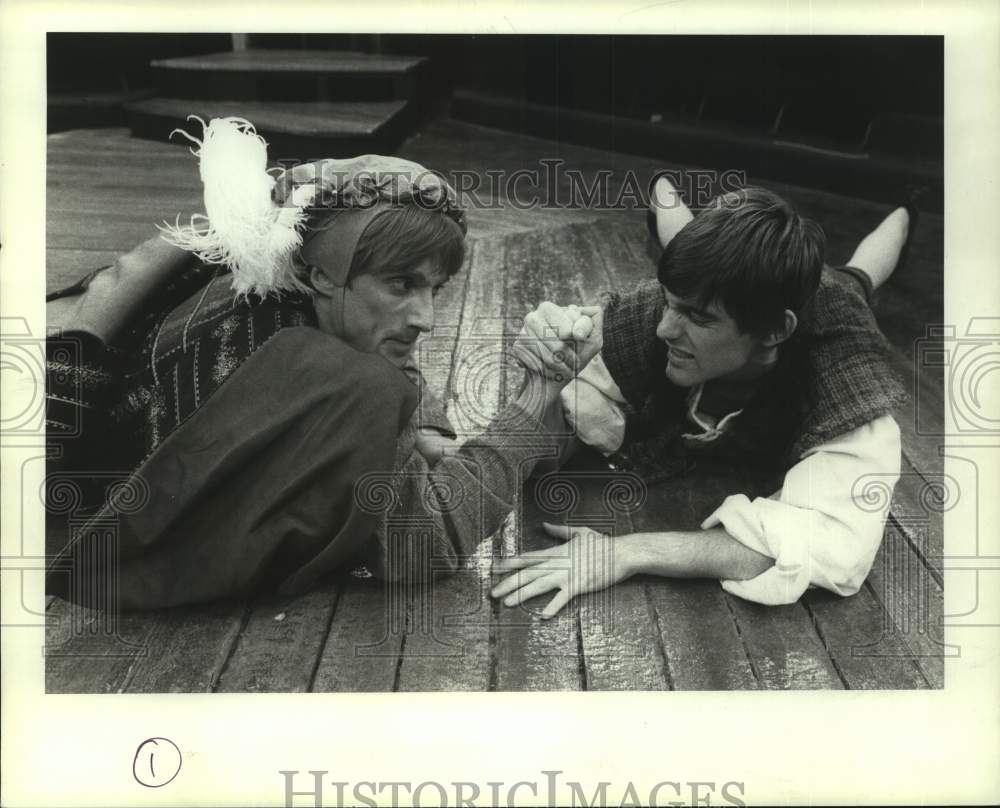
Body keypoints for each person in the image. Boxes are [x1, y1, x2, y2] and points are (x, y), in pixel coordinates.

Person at [46, 118, 599, 610]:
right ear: (321, 275)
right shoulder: (323, 376)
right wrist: (536, 397)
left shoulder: (264, 282)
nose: (426, 318)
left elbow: (381, 367)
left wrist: (422, 431)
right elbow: (422, 546)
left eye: (436, 288)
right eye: (401, 284)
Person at [491, 177, 912, 615]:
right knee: (678, 230)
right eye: (671, 303)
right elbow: (559, 430)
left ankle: (907, 210)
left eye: (697, 317)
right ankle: (662, 187)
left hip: (829, 301)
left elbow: (832, 546)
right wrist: (546, 381)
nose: (663, 330)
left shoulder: (847, 373)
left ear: (775, 331)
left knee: (858, 278)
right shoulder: (654, 312)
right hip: (742, 293)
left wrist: (626, 552)